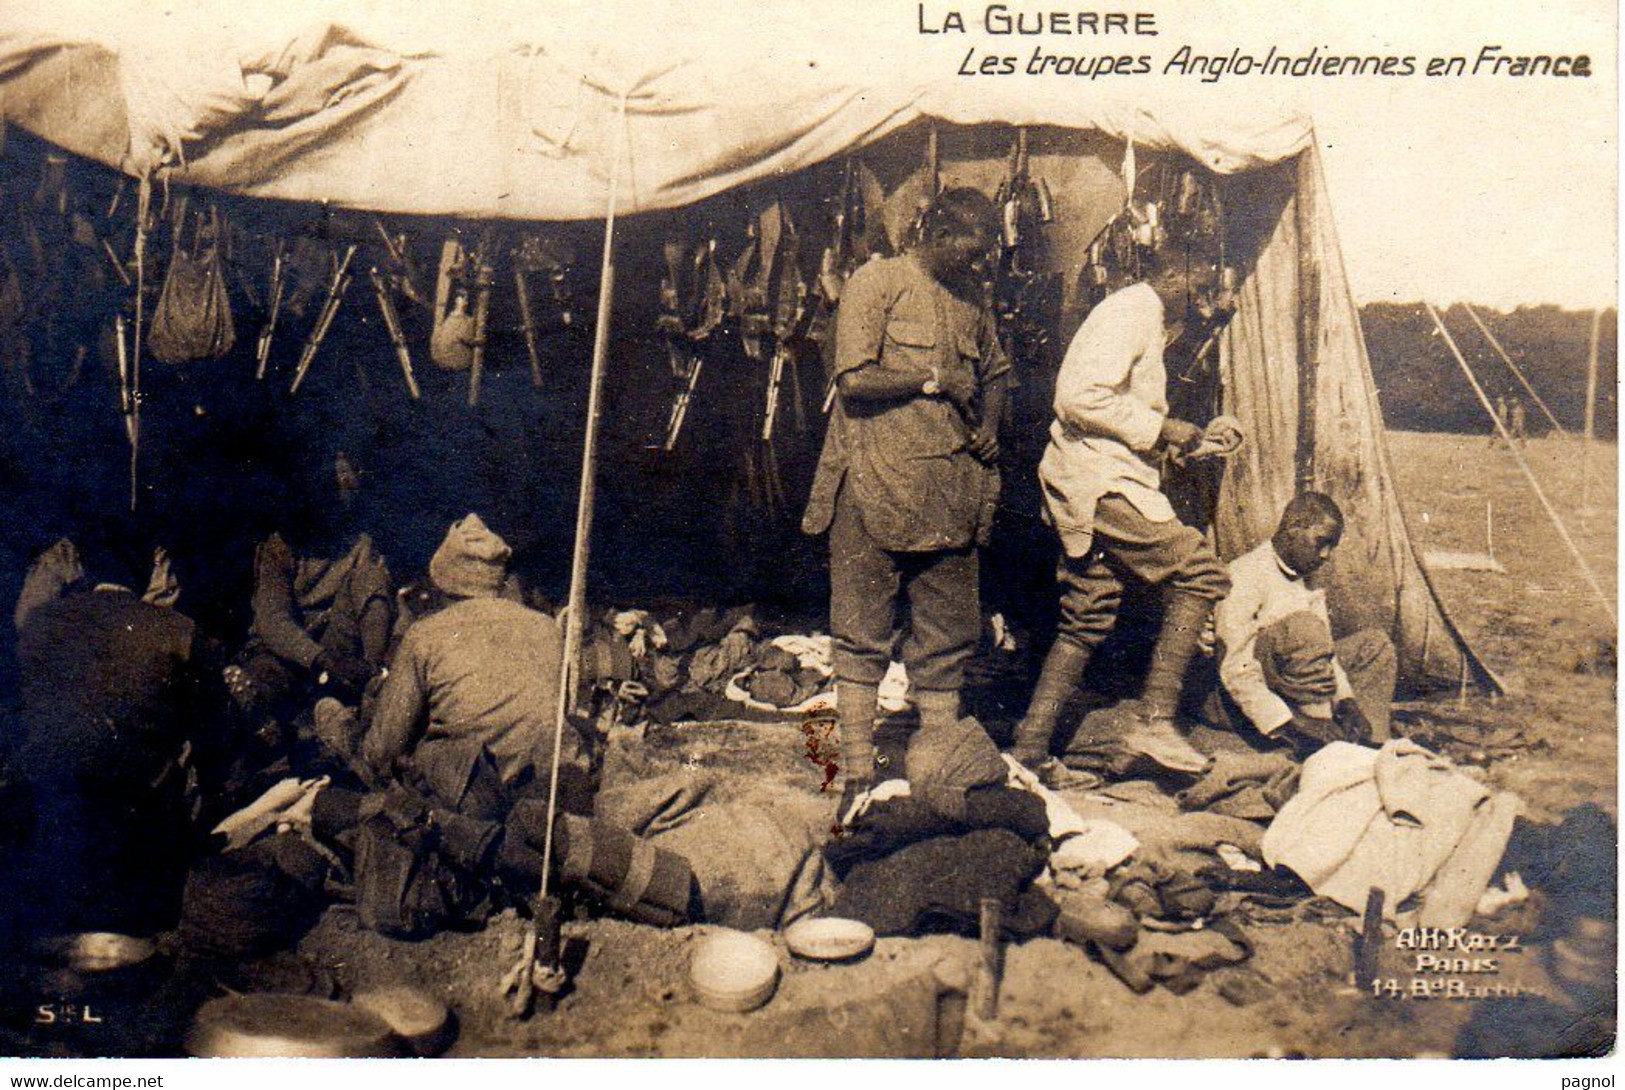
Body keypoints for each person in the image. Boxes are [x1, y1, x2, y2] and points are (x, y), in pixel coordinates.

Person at [800, 187, 1010, 809]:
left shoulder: (972, 298)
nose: (977, 266)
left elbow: (996, 371)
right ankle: (856, 772)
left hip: (949, 492)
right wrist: (932, 378)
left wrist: (990, 427)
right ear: (939, 233)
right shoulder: (878, 282)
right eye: (969, 253)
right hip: (874, 483)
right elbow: (854, 380)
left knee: (947, 637)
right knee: (862, 633)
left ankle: (938, 769)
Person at [1007, 255, 1231, 774]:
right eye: (1199, 287)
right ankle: (1155, 719)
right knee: (1200, 572)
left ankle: (1031, 746)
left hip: (1101, 474)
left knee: (1090, 609)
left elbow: (1128, 417)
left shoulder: (1151, 321)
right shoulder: (1128, 311)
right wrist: (1165, 429)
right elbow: (1079, 399)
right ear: (1174, 271)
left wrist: (1195, 441)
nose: (1203, 303)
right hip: (1097, 478)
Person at [7, 538, 220, 940]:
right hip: (133, 831)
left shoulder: (36, 623)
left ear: (86, 571)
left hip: (48, 816)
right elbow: (213, 739)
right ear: (147, 575)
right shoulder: (179, 631)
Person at [359, 514, 589, 818]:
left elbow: (384, 749)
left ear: (442, 579)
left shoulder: (425, 634)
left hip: (482, 796)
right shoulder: (546, 627)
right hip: (559, 787)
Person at [1211, 492, 1398, 755]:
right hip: (1235, 696)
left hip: (1295, 677)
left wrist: (1346, 701)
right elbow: (1234, 667)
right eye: (1321, 542)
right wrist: (1294, 723)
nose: (1326, 555)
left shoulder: (1306, 576)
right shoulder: (1246, 574)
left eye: (1332, 546)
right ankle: (1318, 744)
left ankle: (1367, 743)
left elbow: (1326, 651)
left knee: (1375, 645)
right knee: (1303, 629)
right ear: (1292, 529)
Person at [230, 450, 393, 719]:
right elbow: (273, 620)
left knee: (370, 579)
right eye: (334, 481)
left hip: (338, 646)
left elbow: (380, 600)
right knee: (258, 688)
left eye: (347, 479)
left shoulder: (361, 544)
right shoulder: (280, 547)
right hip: (289, 653)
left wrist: (377, 663)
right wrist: (320, 659)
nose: (342, 489)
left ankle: (371, 683)